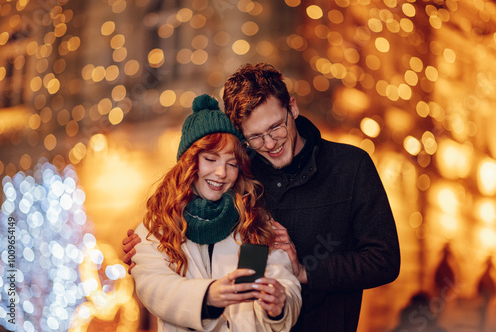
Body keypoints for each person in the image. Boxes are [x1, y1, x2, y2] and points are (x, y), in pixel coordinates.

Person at [123, 63, 400, 331]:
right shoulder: (238, 175)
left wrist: (305, 271)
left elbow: (384, 260)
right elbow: (188, 217)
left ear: (292, 107)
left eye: (276, 127)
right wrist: (147, 244)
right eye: (255, 137)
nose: (269, 143)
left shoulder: (350, 166)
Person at [128, 94, 301, 332]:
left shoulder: (254, 221)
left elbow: (285, 281)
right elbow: (153, 287)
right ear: (189, 163)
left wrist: (280, 304)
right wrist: (209, 296)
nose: (221, 173)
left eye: (232, 164)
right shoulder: (157, 229)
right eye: (210, 159)